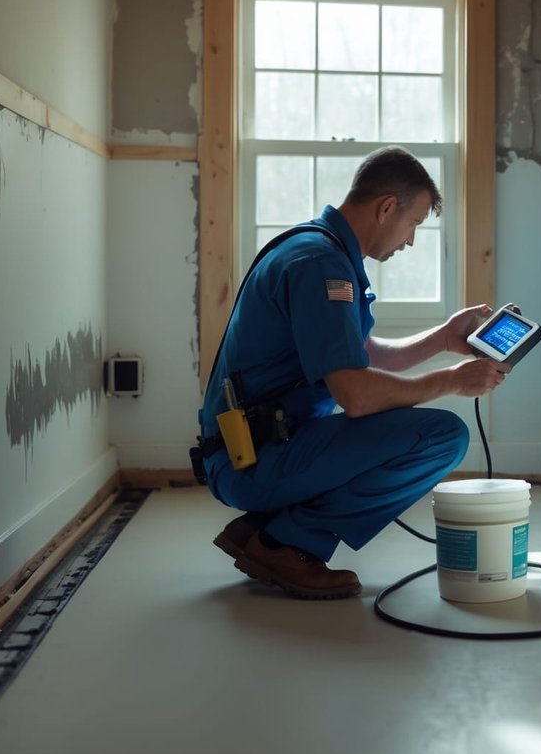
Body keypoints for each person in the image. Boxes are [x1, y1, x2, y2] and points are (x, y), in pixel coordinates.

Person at [195, 146, 509, 599]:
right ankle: (286, 543)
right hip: (251, 460)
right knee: (442, 436)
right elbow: (356, 395)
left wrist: (443, 338)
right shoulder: (321, 266)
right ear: (386, 208)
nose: (411, 239)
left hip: (257, 448)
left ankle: (264, 528)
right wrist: (451, 381)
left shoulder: (322, 250)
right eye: (414, 223)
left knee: (405, 424)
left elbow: (365, 353)